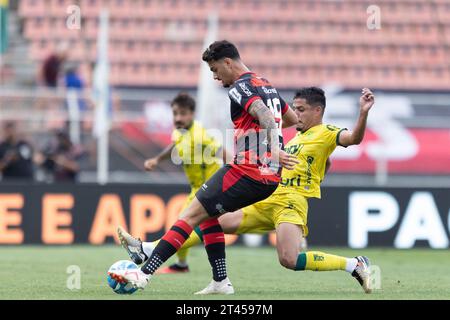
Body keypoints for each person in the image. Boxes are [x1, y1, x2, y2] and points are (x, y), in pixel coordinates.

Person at [117, 87, 375, 294]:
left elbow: (353, 139)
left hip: (290, 203)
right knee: (212, 218)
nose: (296, 115)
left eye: (301, 110)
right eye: (293, 109)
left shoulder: (326, 132)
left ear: (318, 110)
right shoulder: (297, 138)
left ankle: (354, 265)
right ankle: (173, 258)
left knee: (290, 260)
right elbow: (323, 162)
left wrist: (362, 113)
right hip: (267, 196)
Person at [109, 40, 299, 294]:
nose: (215, 77)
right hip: (269, 176)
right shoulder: (266, 84)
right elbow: (292, 119)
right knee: (209, 217)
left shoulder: (240, 88)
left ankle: (143, 272)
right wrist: (266, 146)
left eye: (215, 70)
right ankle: (220, 282)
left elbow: (264, 114)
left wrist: (272, 148)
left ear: (228, 62)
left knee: (189, 215)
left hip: (249, 170)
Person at [120, 92, 227, 274]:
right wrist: (156, 159)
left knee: (185, 226)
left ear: (192, 114)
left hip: (210, 189)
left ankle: (151, 250)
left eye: (183, 114)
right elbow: (174, 145)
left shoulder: (200, 136)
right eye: (175, 114)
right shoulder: (180, 132)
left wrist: (238, 170)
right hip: (197, 189)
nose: (178, 118)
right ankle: (181, 264)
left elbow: (222, 152)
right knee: (182, 223)